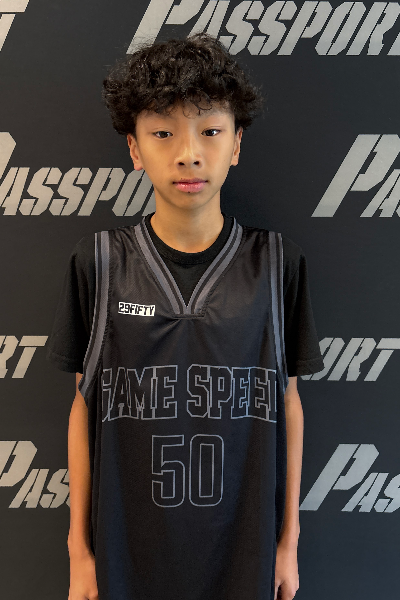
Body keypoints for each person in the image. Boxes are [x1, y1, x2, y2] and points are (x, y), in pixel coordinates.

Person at [46, 32, 324, 600]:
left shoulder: (277, 264)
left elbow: (288, 405)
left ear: (236, 143)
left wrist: (288, 544)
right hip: (126, 562)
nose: (188, 153)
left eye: (210, 131)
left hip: (242, 558)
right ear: (134, 148)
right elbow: (83, 407)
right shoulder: (99, 262)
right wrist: (80, 553)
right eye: (163, 133)